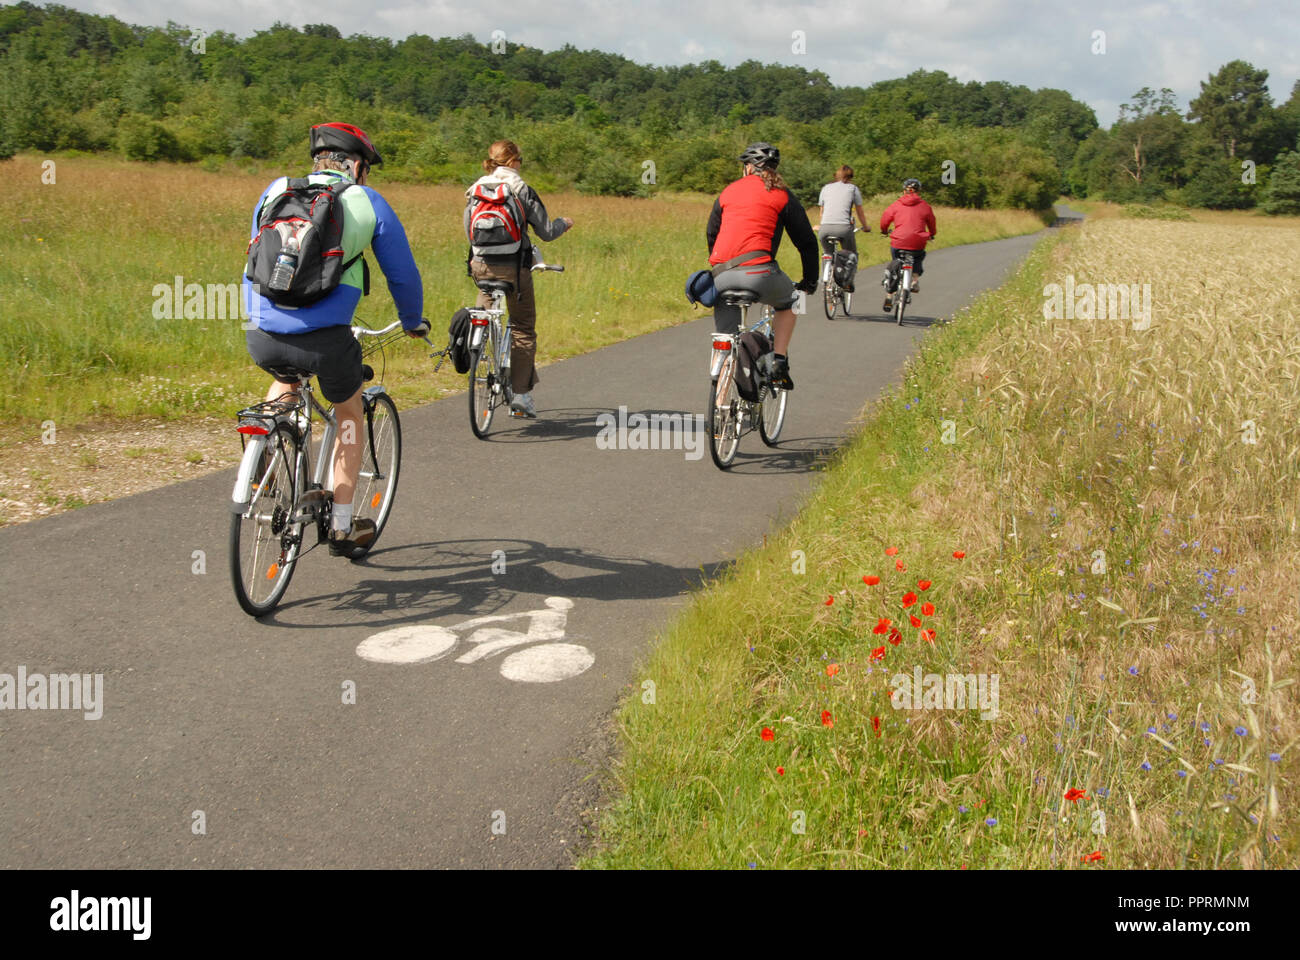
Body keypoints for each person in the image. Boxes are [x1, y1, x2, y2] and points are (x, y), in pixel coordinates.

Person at [243, 122, 427, 555]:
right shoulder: (367, 201)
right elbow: (402, 274)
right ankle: (342, 527)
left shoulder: (276, 190)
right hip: (326, 341)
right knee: (349, 414)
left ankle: (262, 448)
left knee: (287, 380)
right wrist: (412, 320)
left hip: (263, 334)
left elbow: (255, 255)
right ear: (357, 165)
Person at [464, 140, 573, 419]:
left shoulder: (476, 188)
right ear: (513, 161)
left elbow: (468, 229)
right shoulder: (521, 188)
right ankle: (522, 396)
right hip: (514, 270)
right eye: (520, 159)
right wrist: (564, 223)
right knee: (523, 327)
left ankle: (478, 345)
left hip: (481, 267)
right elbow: (546, 231)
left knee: (482, 312)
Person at [705, 142, 819, 390]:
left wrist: (721, 267)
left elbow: (712, 233)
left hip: (721, 275)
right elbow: (807, 242)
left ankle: (721, 404)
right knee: (793, 299)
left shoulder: (727, 192)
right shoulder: (782, 194)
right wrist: (809, 282)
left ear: (747, 168)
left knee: (727, 336)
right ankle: (779, 360)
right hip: (760, 273)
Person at [879, 177, 936, 311]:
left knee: (896, 262)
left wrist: (884, 231)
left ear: (904, 191)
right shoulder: (925, 206)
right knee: (918, 256)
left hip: (898, 241)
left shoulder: (896, 204)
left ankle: (889, 295)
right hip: (918, 241)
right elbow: (932, 222)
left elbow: (885, 219)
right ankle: (914, 280)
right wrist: (932, 234)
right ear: (918, 191)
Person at [816, 164, 870, 257]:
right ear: (851, 177)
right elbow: (859, 212)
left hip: (824, 229)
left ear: (836, 176)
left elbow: (822, 212)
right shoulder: (853, 189)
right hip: (843, 228)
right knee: (851, 255)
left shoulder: (825, 188)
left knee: (828, 254)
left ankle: (826, 269)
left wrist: (822, 226)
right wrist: (866, 227)